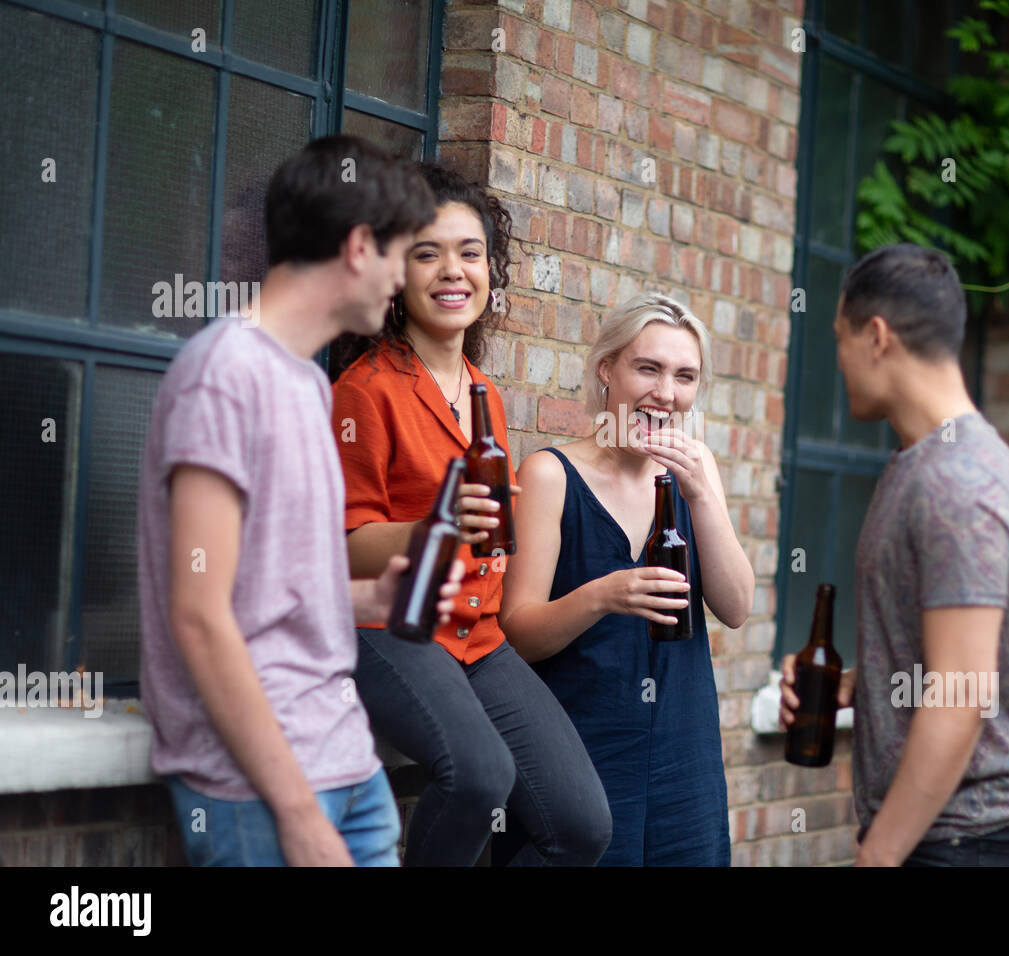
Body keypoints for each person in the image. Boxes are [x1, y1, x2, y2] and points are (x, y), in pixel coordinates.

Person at [137, 135, 465, 867]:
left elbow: (273, 593)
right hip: (261, 789)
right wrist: (295, 811)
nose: (403, 279)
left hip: (349, 766)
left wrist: (374, 596)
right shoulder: (222, 376)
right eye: (403, 252)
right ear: (357, 247)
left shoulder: (306, 382)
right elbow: (199, 613)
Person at [331, 162, 612, 866]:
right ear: (397, 274)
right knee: (480, 776)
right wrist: (441, 523)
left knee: (580, 825)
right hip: (390, 625)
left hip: (477, 636)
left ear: (491, 271)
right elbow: (342, 547)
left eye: (470, 253)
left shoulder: (483, 389)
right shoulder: (364, 391)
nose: (452, 271)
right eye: (427, 253)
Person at [780, 243, 1009, 866]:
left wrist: (880, 855)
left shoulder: (958, 482)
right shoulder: (923, 464)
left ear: (877, 337)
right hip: (948, 836)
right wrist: (856, 685)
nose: (839, 361)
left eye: (841, 338)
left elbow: (960, 696)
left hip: (966, 839)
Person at [501, 293, 755, 866]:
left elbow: (737, 606)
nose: (667, 393)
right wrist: (603, 595)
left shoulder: (696, 470)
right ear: (606, 371)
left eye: (685, 376)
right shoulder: (550, 473)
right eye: (649, 368)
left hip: (682, 751)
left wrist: (702, 498)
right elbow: (518, 632)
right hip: (580, 750)